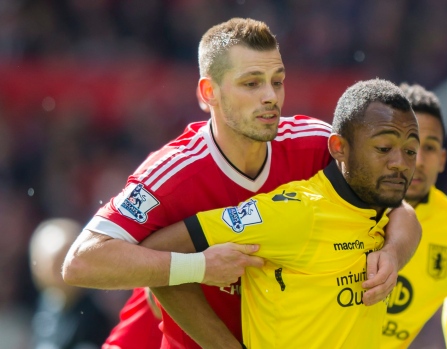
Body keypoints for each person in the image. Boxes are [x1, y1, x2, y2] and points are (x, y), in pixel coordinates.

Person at [62, 18, 421, 349]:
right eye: (251, 83)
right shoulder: (171, 174)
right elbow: (80, 262)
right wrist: (199, 267)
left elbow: (396, 207)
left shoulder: (316, 145)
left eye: (277, 81)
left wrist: (392, 254)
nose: (270, 97)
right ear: (208, 93)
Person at [148, 78, 420, 348]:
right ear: (339, 148)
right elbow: (158, 252)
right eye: (384, 149)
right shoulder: (295, 212)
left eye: (410, 151)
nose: (400, 164)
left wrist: (393, 254)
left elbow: (408, 216)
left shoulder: (377, 204)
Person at [380, 84, 447, 349]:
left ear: (442, 159)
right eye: (409, 145)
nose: (417, 161)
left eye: (428, 148)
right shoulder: (345, 204)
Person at [30, 218, 112, 349]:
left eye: (65, 261)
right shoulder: (46, 307)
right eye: (56, 264)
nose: (63, 271)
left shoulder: (91, 317)